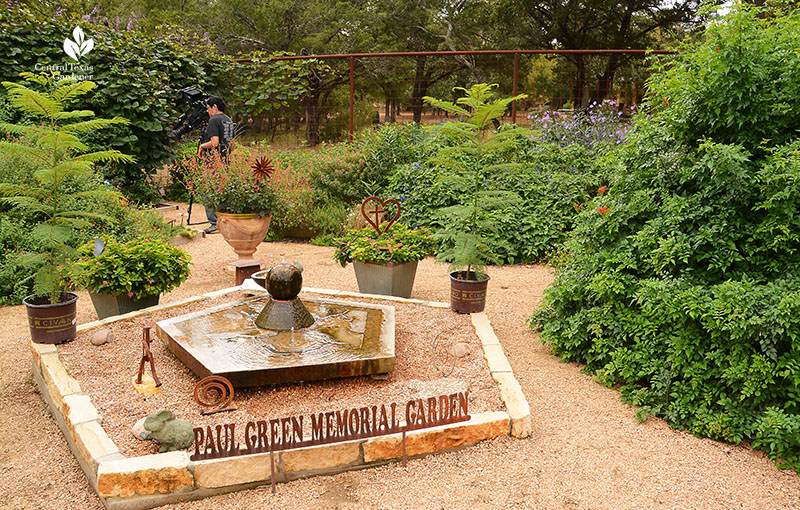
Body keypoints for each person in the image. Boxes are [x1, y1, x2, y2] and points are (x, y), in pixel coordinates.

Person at [198, 96, 235, 234]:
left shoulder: (214, 120)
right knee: (223, 190)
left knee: (208, 191)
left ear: (214, 107)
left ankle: (214, 223)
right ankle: (226, 220)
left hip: (214, 162)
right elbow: (232, 142)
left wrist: (202, 146)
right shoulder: (228, 120)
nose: (207, 111)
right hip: (226, 161)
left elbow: (214, 142)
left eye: (208, 108)